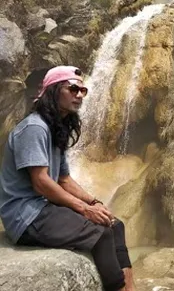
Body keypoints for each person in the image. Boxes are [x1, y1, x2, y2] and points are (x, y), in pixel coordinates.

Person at [0, 66, 135, 291]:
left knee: (114, 225)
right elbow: (41, 182)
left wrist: (93, 202)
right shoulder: (34, 128)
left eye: (83, 90)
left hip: (45, 209)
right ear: (53, 90)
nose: (79, 95)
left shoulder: (55, 129)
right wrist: (84, 209)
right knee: (100, 234)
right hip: (25, 215)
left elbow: (64, 180)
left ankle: (130, 288)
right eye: (73, 89)